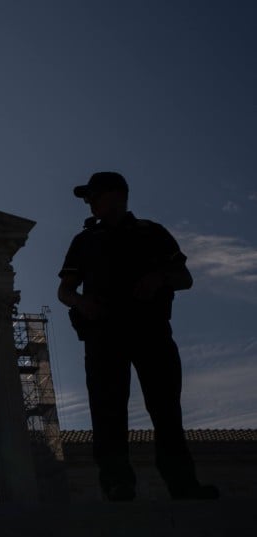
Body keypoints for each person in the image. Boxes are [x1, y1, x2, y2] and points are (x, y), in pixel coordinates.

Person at [58, 172, 218, 502]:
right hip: (104, 335)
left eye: (93, 196)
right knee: (107, 411)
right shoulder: (84, 241)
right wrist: (81, 302)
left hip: (151, 331)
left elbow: (184, 278)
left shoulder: (153, 233)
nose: (89, 203)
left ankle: (182, 483)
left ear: (115, 196)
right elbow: (65, 290)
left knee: (166, 410)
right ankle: (117, 483)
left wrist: (158, 278)